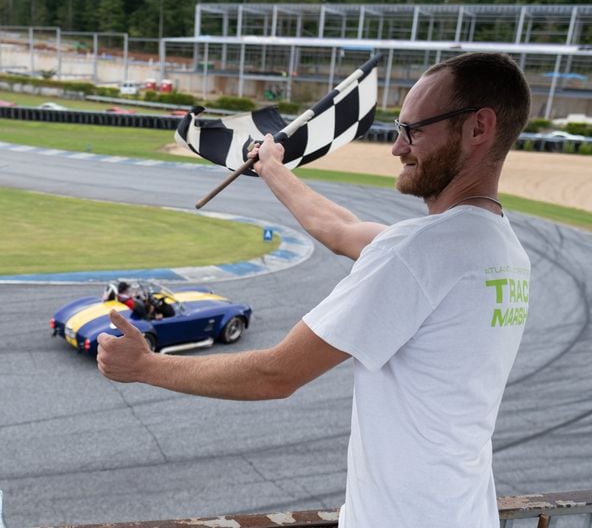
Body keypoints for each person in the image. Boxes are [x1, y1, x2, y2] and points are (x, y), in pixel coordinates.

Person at [97, 53, 532, 527]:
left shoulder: (419, 250)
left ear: (478, 128)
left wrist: (144, 366)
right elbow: (341, 228)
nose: (398, 148)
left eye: (414, 130)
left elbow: (275, 374)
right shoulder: (498, 246)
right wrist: (272, 167)